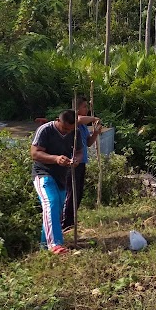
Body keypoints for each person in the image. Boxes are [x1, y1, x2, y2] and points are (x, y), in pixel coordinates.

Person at [31, 110, 76, 254]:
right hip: (42, 174)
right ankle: (55, 245)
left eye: (70, 129)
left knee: (55, 211)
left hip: (61, 177)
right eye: (64, 128)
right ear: (58, 120)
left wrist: (77, 160)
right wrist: (55, 159)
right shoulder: (45, 130)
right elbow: (34, 153)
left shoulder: (74, 132)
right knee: (51, 202)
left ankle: (44, 246)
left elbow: (80, 150)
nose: (67, 132)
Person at [61, 96, 103, 231]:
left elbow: (89, 143)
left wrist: (95, 133)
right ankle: (65, 223)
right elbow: (78, 119)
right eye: (85, 106)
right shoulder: (73, 121)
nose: (87, 109)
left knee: (78, 193)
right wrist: (94, 118)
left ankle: (71, 221)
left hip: (82, 162)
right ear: (77, 108)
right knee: (71, 193)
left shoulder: (83, 126)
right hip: (72, 163)